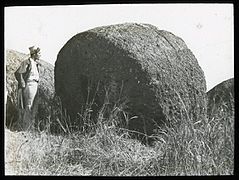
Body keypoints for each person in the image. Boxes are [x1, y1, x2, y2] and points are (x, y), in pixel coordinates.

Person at [14, 46, 41, 131]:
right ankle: (26, 128)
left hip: (35, 85)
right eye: (39, 53)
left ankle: (31, 127)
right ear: (34, 54)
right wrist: (22, 82)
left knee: (34, 106)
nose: (40, 55)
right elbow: (18, 73)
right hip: (29, 85)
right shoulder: (27, 62)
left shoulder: (36, 64)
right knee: (28, 106)